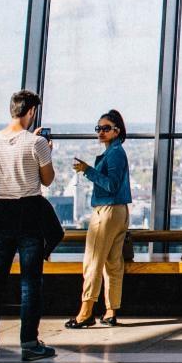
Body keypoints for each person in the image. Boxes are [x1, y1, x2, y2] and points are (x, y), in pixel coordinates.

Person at [0, 90, 61, 361]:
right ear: (32, 112)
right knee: (30, 282)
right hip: (28, 215)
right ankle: (29, 343)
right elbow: (47, 180)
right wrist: (45, 150)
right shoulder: (36, 144)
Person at [66, 109, 132, 328]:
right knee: (113, 262)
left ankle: (85, 312)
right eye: (98, 128)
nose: (101, 132)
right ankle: (111, 310)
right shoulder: (116, 152)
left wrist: (87, 170)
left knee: (93, 261)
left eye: (105, 128)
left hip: (106, 212)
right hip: (119, 211)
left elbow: (111, 184)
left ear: (117, 131)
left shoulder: (114, 154)